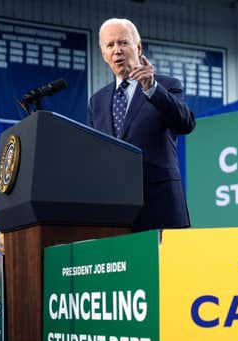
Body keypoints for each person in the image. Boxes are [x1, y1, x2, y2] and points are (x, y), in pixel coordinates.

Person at [88, 18, 196, 232]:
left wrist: (152, 88)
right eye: (110, 45)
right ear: (104, 55)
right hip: (116, 209)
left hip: (160, 206)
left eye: (123, 43)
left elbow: (186, 123)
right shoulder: (96, 102)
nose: (117, 50)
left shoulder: (166, 85)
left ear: (138, 47)